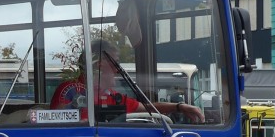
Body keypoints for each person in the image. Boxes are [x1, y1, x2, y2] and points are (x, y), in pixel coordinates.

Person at [49, 40, 204, 122]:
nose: (118, 69)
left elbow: (145, 107)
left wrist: (179, 107)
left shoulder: (110, 96)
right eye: (115, 63)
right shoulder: (70, 90)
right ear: (99, 65)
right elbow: (57, 121)